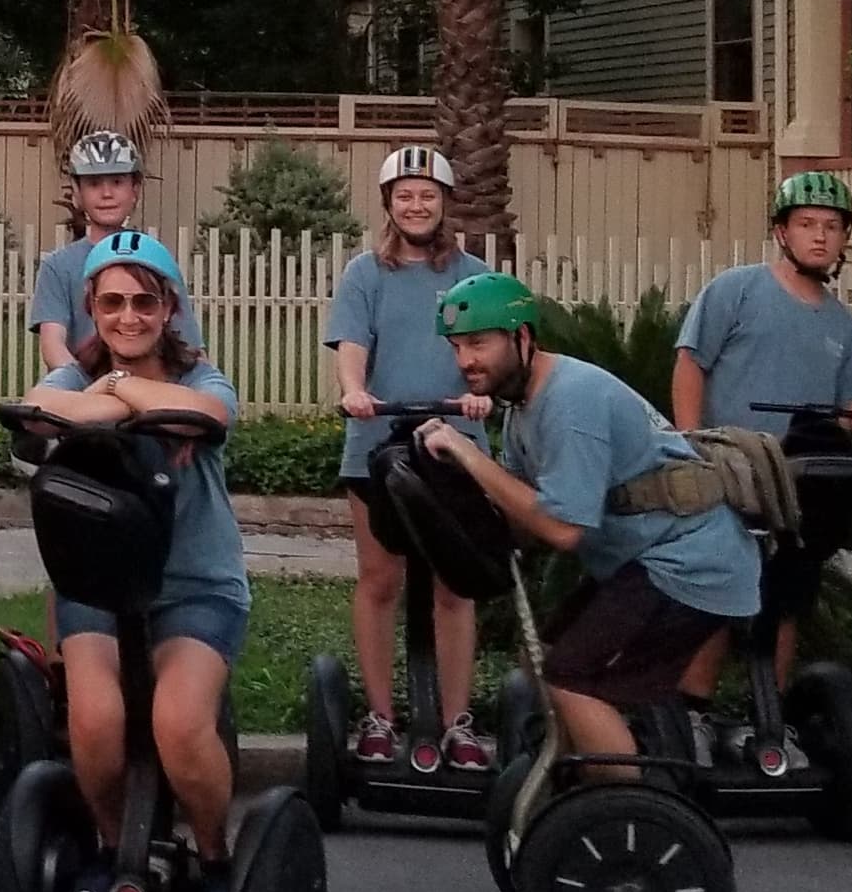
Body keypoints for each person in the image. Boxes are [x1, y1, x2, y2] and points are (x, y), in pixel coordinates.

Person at [416, 268, 763, 765]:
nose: (465, 361)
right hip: (644, 562)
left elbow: (562, 529)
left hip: (689, 563)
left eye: (478, 343)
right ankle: (586, 788)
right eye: (456, 347)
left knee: (573, 680)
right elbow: (520, 516)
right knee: (546, 660)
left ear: (522, 337)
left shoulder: (569, 400)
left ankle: (627, 819)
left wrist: (471, 457)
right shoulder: (521, 411)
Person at [14, 233, 253, 892]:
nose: (128, 316)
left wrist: (113, 390)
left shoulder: (201, 377)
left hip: (195, 587)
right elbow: (42, 408)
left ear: (168, 306)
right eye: (112, 302)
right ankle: (115, 848)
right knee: (95, 722)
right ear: (91, 306)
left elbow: (210, 415)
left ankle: (212, 856)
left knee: (178, 724)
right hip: (96, 585)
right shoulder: (71, 376)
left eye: (143, 301)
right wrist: (125, 396)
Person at [672, 170, 852, 700]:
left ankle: (768, 716)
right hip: (728, 468)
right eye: (807, 223)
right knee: (716, 593)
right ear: (781, 233)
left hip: (798, 479)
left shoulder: (842, 324)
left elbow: (841, 410)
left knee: (789, 596)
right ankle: (693, 712)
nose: (819, 235)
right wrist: (688, 444)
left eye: (832, 226)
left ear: (845, 238)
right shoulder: (736, 290)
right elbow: (690, 363)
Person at [324, 145, 495, 771]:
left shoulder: (472, 275)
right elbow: (350, 343)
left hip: (456, 448)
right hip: (378, 443)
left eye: (427, 194)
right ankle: (379, 717)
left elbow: (490, 350)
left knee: (455, 587)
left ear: (445, 203)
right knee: (380, 580)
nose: (416, 205)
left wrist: (480, 395)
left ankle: (457, 723)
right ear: (389, 205)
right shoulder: (366, 274)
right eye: (405, 195)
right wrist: (354, 391)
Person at [29, 130, 152, 375]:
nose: (107, 194)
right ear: (76, 191)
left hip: (149, 391)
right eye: (94, 183)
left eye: (117, 182)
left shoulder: (156, 261)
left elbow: (190, 346)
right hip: (81, 392)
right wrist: (92, 389)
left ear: (135, 189)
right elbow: (53, 345)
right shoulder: (58, 266)